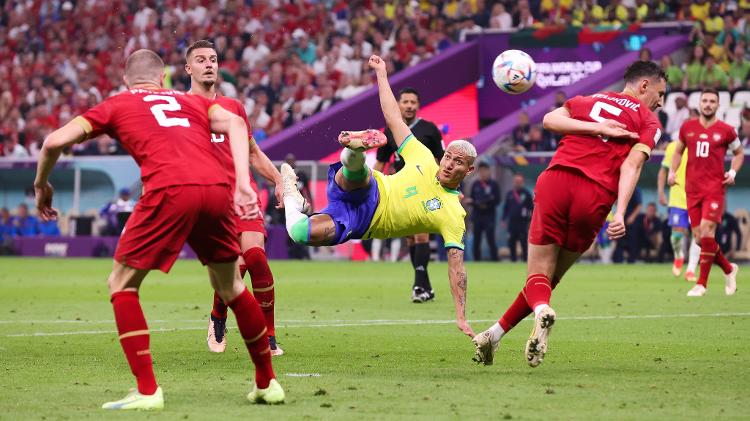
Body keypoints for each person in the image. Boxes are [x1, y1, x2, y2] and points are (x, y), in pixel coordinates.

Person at [33, 49, 284, 409]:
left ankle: (148, 391)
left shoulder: (117, 104)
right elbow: (236, 124)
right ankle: (267, 382)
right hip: (217, 191)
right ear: (164, 76)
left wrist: (42, 185)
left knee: (121, 283)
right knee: (231, 285)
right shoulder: (189, 101)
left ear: (125, 80)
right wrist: (244, 183)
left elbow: (53, 141)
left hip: (169, 190)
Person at [473, 60, 666, 368]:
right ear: (644, 86)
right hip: (594, 195)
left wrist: (595, 125)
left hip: (556, 181)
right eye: (660, 93)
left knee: (539, 278)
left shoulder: (590, 99)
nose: (660, 101)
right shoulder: (650, 122)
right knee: (549, 278)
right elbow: (632, 165)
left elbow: (550, 120)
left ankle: (495, 334)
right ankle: (498, 334)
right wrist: (621, 211)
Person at [282, 54, 476, 338]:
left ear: (468, 170)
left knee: (299, 232)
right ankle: (355, 148)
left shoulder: (453, 213)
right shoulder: (422, 155)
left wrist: (461, 316)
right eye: (448, 157)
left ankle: (291, 195)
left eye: (458, 162)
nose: (449, 164)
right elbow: (393, 117)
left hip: (359, 222)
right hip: (374, 189)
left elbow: (456, 267)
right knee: (357, 174)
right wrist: (382, 74)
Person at [184, 39, 286, 357]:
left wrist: (280, 180)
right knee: (230, 270)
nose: (209, 64)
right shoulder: (179, 108)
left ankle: (268, 337)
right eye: (200, 60)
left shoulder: (233, 108)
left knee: (255, 257)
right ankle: (218, 315)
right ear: (188, 68)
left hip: (244, 195)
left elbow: (253, 153)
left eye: (213, 58)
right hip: (210, 201)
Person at [669, 89, 744, 297]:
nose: (708, 104)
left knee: (706, 231)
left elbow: (739, 154)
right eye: (705, 101)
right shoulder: (687, 127)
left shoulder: (727, 130)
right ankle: (729, 269)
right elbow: (677, 151)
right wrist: (672, 172)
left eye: (712, 101)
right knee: (700, 239)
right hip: (692, 190)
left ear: (718, 105)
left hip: (714, 189)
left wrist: (733, 171)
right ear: (700, 103)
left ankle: (701, 284)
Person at [373, 86, 445, 303]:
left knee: (421, 234)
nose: (409, 106)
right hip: (401, 189)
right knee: (412, 238)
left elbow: (441, 161)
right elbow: (380, 163)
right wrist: (371, 187)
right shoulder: (390, 131)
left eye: (413, 102)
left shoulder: (430, 129)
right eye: (405, 102)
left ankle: (418, 286)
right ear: (398, 104)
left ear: (418, 105)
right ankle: (426, 286)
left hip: (424, 188)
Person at [658, 139, 699, 280]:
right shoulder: (673, 146)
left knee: (698, 235)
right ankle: (678, 255)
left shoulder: (701, 145)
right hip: (677, 198)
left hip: (697, 197)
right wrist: (661, 192)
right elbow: (663, 171)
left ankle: (691, 270)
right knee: (676, 236)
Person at [468, 162, 500, 261]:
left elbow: (497, 199)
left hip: (489, 216)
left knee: (490, 238)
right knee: (476, 239)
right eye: (481, 171)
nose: (483, 173)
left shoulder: (494, 185)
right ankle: (476, 261)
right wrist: (477, 203)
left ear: (488, 171)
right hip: (477, 216)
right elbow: (471, 199)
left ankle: (495, 260)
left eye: (484, 171)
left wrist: (483, 203)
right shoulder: (475, 184)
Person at [502, 174, 534, 262]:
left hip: (523, 222)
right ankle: (513, 260)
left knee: (523, 242)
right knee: (511, 242)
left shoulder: (526, 194)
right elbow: (506, 208)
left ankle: (525, 260)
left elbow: (532, 208)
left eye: (519, 182)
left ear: (522, 182)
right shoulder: (510, 194)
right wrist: (503, 219)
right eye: (516, 181)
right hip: (512, 223)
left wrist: (531, 221)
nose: (517, 183)